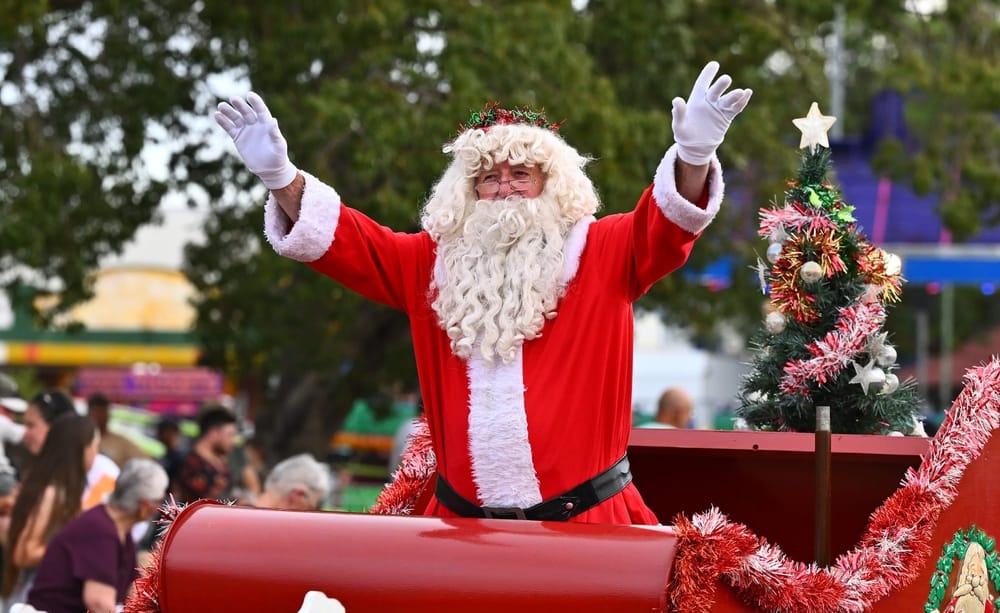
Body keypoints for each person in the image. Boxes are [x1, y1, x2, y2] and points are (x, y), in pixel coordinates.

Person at [215, 61, 751, 524]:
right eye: (488, 178)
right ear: (467, 191)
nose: (504, 188)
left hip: (589, 528)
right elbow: (350, 242)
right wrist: (282, 178)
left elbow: (665, 225)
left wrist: (693, 155)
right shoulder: (430, 263)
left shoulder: (603, 248)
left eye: (522, 173)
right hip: (459, 534)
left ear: (552, 183)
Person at [26, 458, 168, 613]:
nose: (158, 507)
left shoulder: (119, 533)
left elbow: (132, 589)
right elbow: (99, 603)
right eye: (159, 501)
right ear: (144, 506)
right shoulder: (101, 531)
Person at [2, 414, 99, 607]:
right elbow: (24, 553)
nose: (96, 454)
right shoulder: (52, 494)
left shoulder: (59, 491)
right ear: (82, 450)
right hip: (31, 598)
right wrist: (72, 543)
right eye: (95, 447)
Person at [20, 390, 120, 512]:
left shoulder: (100, 471)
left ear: (57, 426)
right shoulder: (35, 470)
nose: (24, 434)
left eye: (31, 425)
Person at [173, 405, 237, 504]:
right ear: (213, 433)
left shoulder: (220, 463)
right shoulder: (190, 463)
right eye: (230, 435)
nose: (233, 441)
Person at [85, 392, 147, 468]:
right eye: (97, 413)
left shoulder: (120, 441)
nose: (101, 417)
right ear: (89, 414)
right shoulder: (82, 440)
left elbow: (145, 461)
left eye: (103, 412)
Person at [251, 453, 330, 512]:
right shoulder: (272, 530)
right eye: (310, 508)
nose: (309, 513)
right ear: (297, 496)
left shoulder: (241, 513)